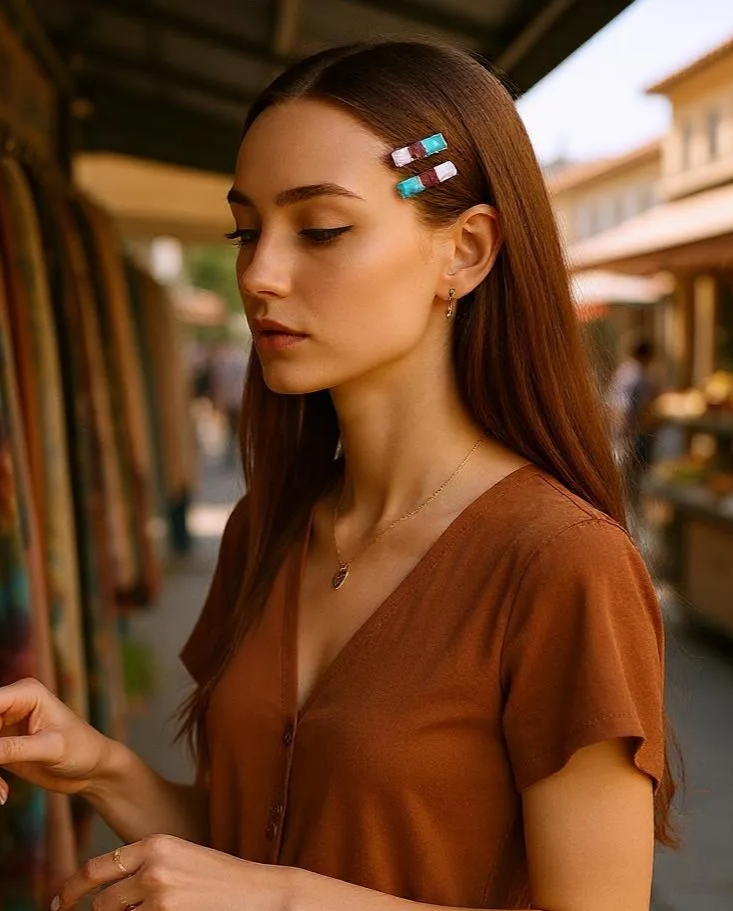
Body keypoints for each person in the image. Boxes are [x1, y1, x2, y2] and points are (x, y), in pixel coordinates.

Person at [0, 41, 677, 911]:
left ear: (465, 252)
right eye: (245, 231)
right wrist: (100, 767)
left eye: (319, 229)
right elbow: (261, 846)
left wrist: (279, 900)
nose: (259, 274)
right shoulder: (268, 527)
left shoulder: (559, 563)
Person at [609, 339, 658, 512]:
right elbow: (628, 408)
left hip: (623, 433)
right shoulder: (638, 376)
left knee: (626, 480)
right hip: (632, 433)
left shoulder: (624, 371)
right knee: (632, 481)